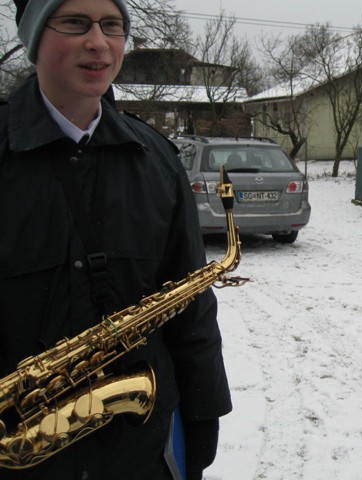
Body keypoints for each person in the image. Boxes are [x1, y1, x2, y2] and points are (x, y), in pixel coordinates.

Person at [0, 0, 232, 478]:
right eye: (75, 23)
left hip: (139, 452)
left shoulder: (158, 160)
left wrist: (204, 413)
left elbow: (192, 311)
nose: (98, 42)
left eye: (112, 25)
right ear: (35, 37)